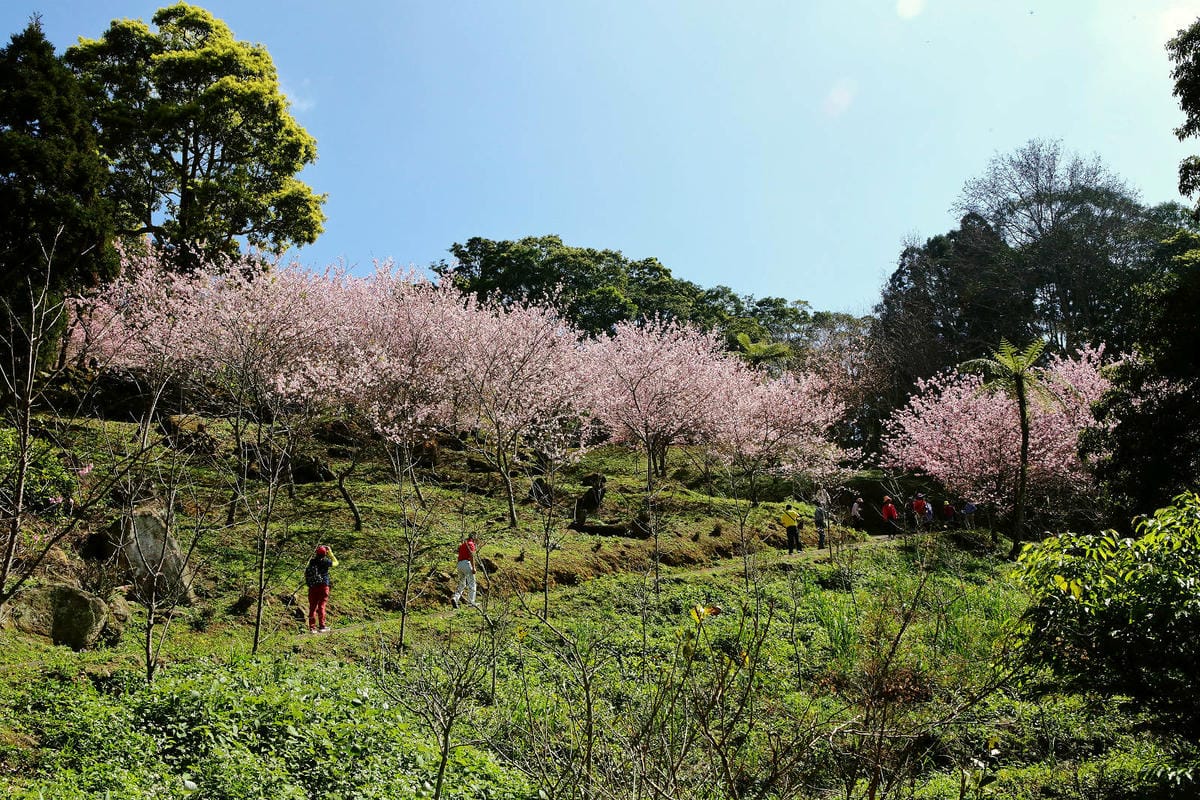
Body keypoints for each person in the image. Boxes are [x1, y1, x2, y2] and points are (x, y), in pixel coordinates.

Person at [305, 545, 338, 633]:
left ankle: (312, 628)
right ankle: (322, 627)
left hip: (312, 586)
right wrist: (330, 553)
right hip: (323, 586)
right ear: (325, 554)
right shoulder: (326, 561)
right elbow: (336, 563)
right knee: (321, 606)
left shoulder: (312, 562)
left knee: (312, 607)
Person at [452, 532, 479, 608]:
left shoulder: (463, 545)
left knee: (462, 584)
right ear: (473, 538)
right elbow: (471, 556)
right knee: (472, 583)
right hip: (466, 564)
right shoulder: (471, 544)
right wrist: (473, 567)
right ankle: (471, 602)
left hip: (459, 564)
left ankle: (455, 598)